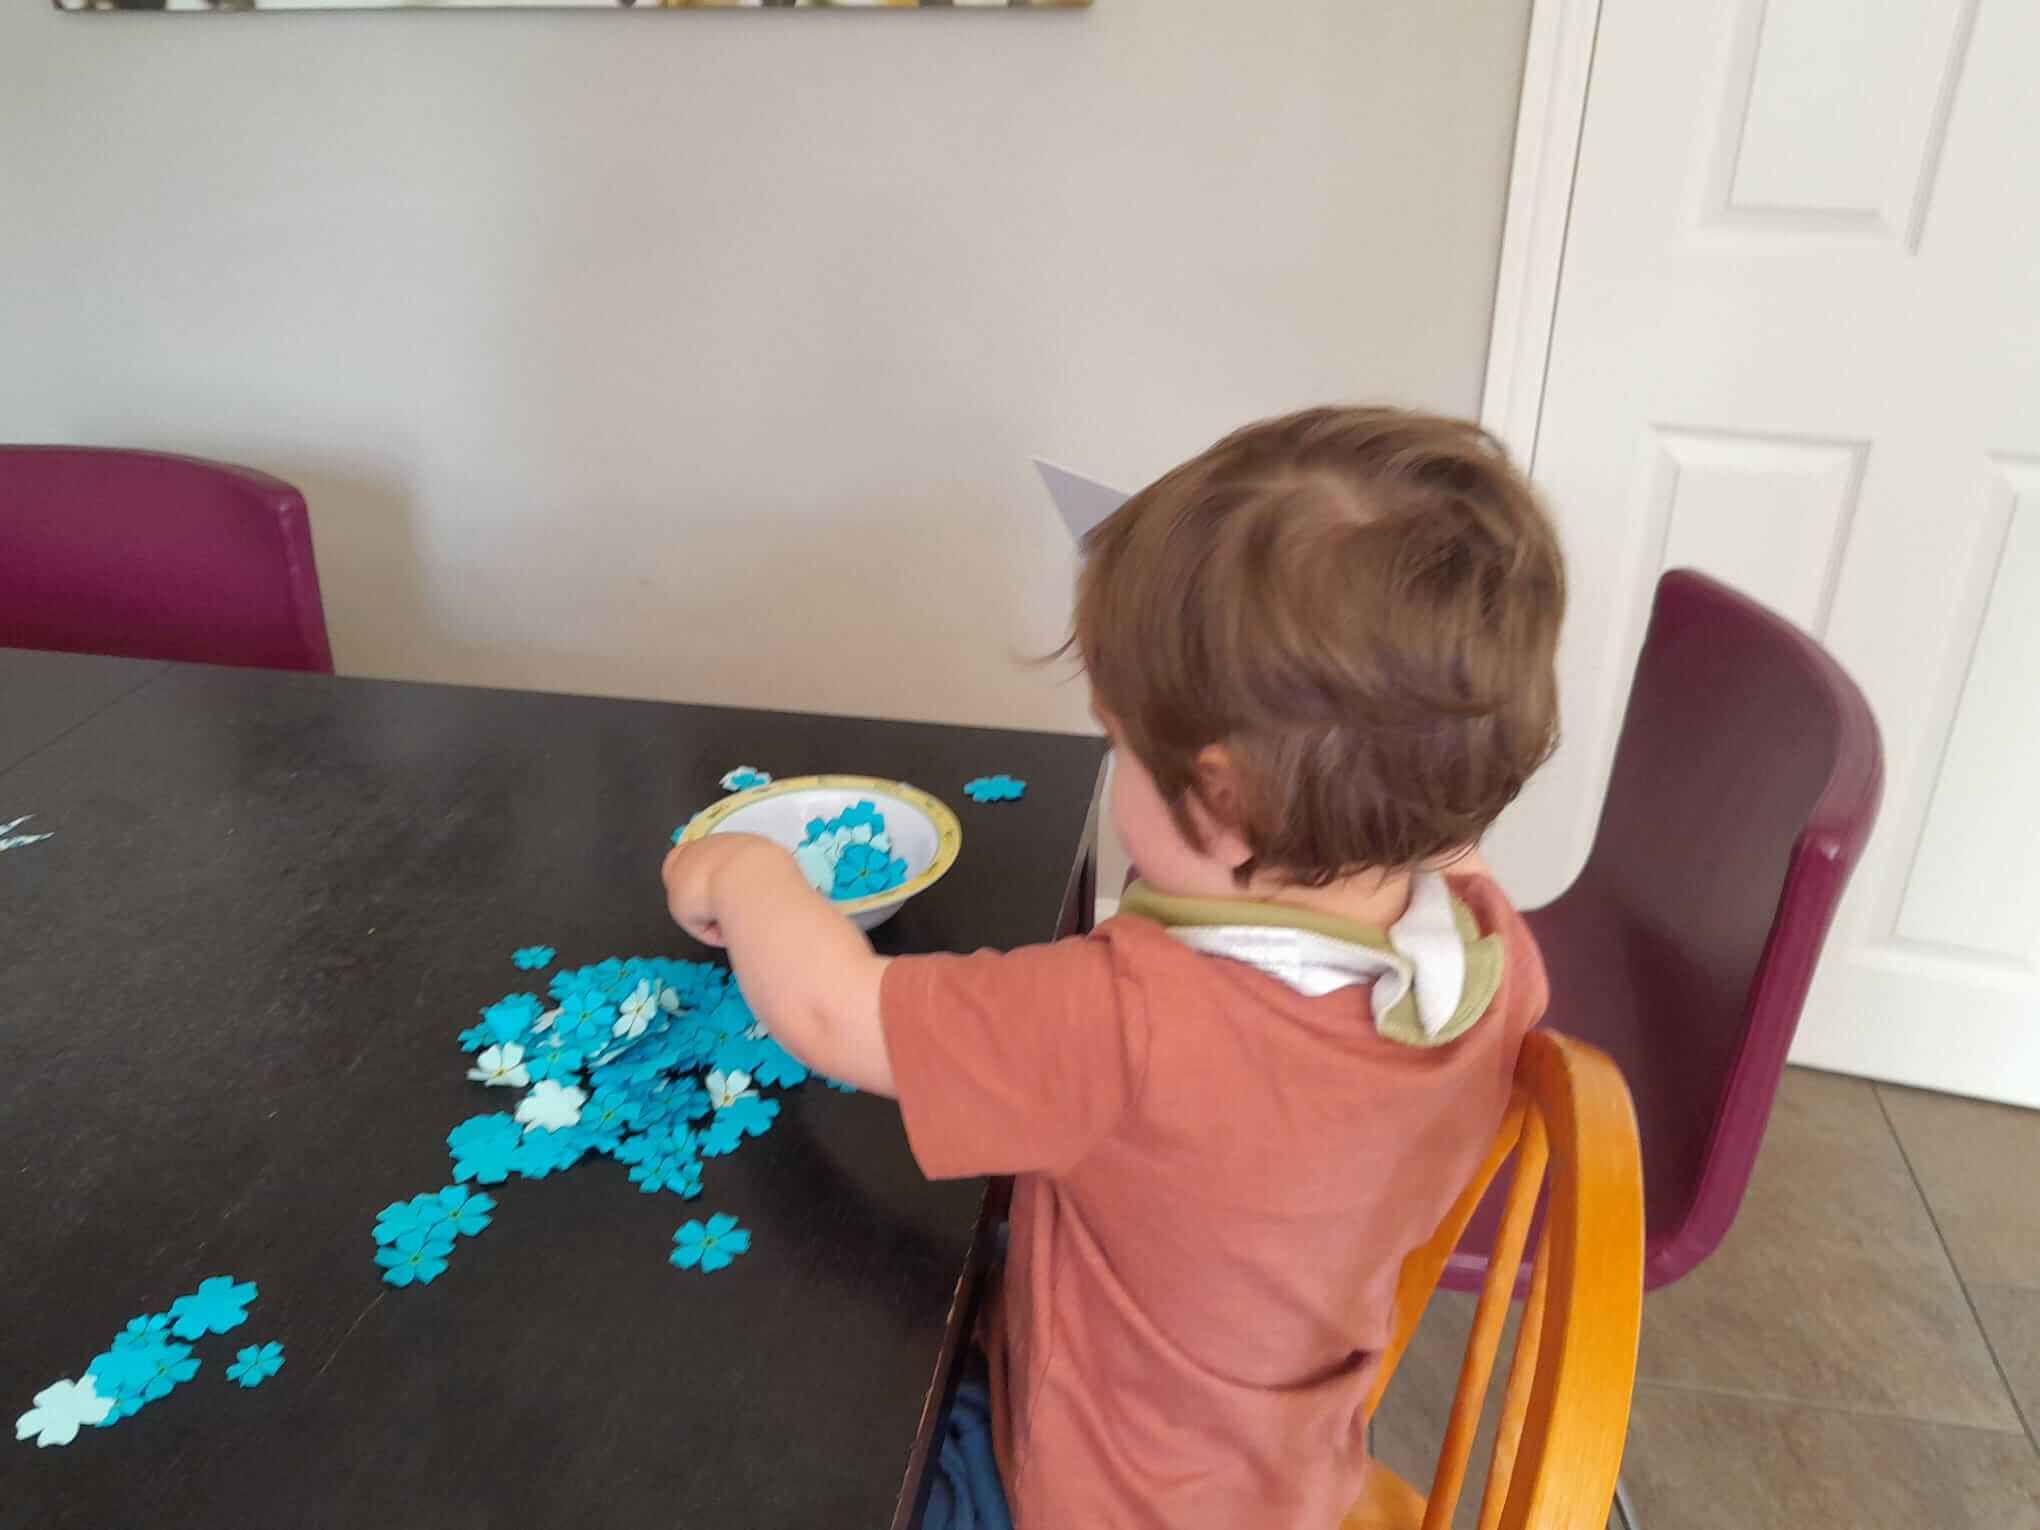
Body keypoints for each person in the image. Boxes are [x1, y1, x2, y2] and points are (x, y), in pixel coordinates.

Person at [661, 406, 1565, 1530]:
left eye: (1120, 741)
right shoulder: (1487, 951)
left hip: (1089, 1498)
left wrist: (743, 875)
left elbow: (831, 1010)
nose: (1111, 760)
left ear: (1226, 801)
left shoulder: (1132, 1023)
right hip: (1283, 1480)